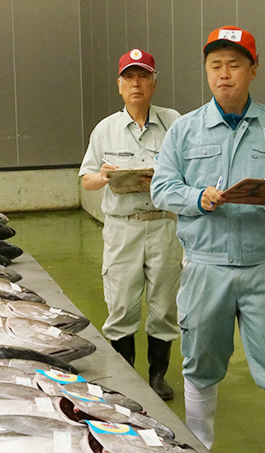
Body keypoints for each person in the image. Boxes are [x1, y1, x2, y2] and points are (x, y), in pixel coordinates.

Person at [150, 26, 265, 453]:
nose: (224, 75)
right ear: (206, 71)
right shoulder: (184, 130)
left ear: (253, 68)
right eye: (215, 66)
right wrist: (197, 197)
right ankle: (201, 448)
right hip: (205, 266)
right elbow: (161, 188)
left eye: (234, 64)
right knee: (200, 360)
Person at [79, 48, 182, 401]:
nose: (136, 83)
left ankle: (157, 376)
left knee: (164, 303)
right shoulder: (105, 129)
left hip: (166, 225)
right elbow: (86, 179)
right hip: (123, 226)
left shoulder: (174, 123)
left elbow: (191, 170)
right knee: (122, 303)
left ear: (154, 83)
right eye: (129, 77)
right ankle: (126, 379)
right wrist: (104, 176)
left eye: (143, 76)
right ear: (119, 85)